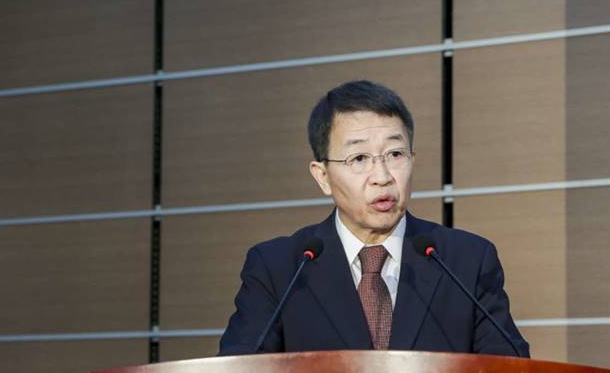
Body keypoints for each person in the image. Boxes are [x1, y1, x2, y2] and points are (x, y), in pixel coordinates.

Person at [219, 80, 529, 357]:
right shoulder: (280, 269)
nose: (382, 176)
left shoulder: (466, 261)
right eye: (359, 158)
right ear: (323, 176)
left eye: (395, 155)